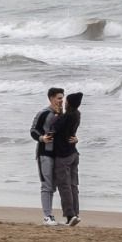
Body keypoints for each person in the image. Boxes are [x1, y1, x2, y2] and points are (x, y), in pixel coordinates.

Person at [29, 88, 65, 226]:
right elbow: (32, 130)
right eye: (59, 98)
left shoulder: (61, 114)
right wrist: (41, 138)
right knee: (46, 185)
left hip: (58, 154)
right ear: (51, 98)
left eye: (62, 98)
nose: (61, 101)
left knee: (53, 186)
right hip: (44, 153)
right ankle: (46, 216)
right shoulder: (43, 113)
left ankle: (50, 215)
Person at [49, 91, 83, 226]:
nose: (64, 102)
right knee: (73, 185)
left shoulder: (66, 116)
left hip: (63, 155)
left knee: (64, 186)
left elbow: (54, 128)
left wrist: (57, 114)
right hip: (74, 154)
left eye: (66, 100)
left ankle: (70, 215)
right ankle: (76, 213)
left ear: (70, 103)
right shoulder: (77, 114)